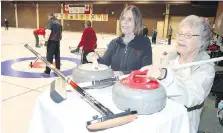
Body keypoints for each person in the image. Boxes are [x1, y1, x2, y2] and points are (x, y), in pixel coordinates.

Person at [140, 15, 215, 133]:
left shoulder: (205, 68)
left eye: (188, 35)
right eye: (180, 33)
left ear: (202, 41)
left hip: (182, 125)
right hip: (160, 118)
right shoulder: (170, 56)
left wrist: (165, 76)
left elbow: (191, 96)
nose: (180, 38)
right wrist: (147, 71)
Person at [86, 5, 152, 75]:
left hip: (134, 85)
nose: (125, 22)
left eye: (129, 19)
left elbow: (146, 71)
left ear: (137, 22)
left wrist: (123, 74)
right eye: (123, 19)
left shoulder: (144, 43)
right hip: (116, 85)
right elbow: (104, 64)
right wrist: (96, 58)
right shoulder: (114, 43)